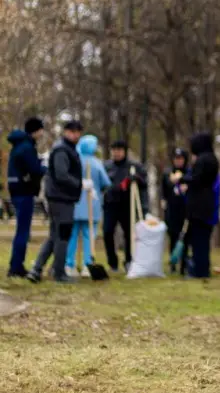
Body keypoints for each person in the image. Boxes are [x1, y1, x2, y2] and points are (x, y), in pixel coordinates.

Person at [28, 120, 84, 284]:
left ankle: (36, 270)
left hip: (60, 198)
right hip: (61, 198)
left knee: (55, 235)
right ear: (66, 132)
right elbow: (61, 174)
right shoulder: (62, 150)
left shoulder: (66, 149)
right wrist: (78, 183)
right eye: (72, 131)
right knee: (63, 235)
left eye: (77, 132)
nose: (75, 135)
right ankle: (59, 273)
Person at [6, 117, 46, 277]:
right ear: (36, 130)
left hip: (17, 190)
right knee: (23, 231)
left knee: (21, 230)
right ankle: (16, 267)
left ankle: (16, 264)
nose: (42, 133)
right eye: (41, 129)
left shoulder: (19, 146)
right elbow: (35, 169)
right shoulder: (27, 147)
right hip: (24, 192)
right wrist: (45, 167)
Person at [65, 134, 110, 277]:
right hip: (92, 206)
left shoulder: (75, 161)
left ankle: (69, 264)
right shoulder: (96, 163)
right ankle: (87, 265)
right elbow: (106, 183)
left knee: (72, 235)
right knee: (88, 236)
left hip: (75, 204)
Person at [103, 141, 148, 272]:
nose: (116, 153)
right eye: (114, 150)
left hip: (127, 205)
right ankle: (112, 262)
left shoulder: (134, 166)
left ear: (124, 151)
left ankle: (129, 260)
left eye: (119, 150)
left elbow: (144, 183)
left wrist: (137, 179)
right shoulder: (106, 166)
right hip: (110, 204)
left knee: (129, 234)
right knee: (107, 232)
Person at [181, 132, 219, 278]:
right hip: (206, 203)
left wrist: (183, 179)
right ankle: (202, 267)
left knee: (199, 239)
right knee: (202, 239)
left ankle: (200, 270)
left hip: (198, 205)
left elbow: (196, 179)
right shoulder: (212, 159)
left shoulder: (203, 160)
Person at [162, 148, 188, 269]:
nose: (178, 161)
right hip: (171, 209)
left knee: (184, 236)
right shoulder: (168, 173)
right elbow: (164, 189)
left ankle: (184, 263)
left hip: (184, 209)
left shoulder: (188, 173)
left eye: (180, 159)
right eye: (176, 158)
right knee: (172, 235)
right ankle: (173, 262)